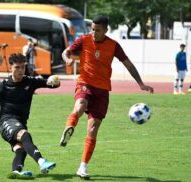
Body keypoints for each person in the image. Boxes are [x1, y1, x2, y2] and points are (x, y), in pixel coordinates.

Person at [59, 15, 154, 179]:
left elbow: (128, 65)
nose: (94, 33)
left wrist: (141, 84)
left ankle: (83, 167)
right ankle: (69, 128)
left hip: (102, 90)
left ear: (106, 30)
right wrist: (67, 59)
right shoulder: (84, 40)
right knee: (80, 104)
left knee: (93, 129)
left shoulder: (113, 46)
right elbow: (66, 52)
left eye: (98, 30)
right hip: (85, 83)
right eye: (92, 29)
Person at [0, 53, 60, 179]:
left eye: (22, 67)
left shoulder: (30, 82)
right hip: (6, 122)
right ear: (11, 68)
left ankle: (16, 171)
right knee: (24, 135)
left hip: (20, 123)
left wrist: (54, 81)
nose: (20, 70)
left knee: (21, 148)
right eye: (17, 67)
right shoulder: (2, 85)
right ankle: (42, 162)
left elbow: (52, 84)